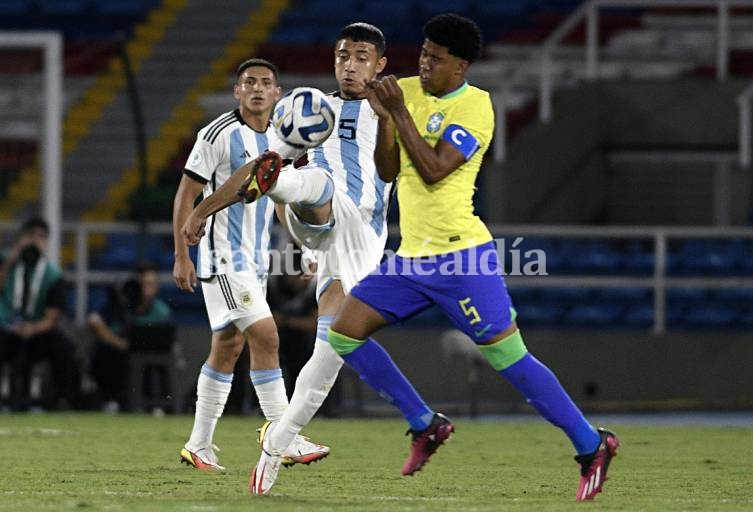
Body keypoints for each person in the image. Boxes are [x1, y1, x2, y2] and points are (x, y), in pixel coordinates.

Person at [325, 14, 619, 501]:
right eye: (421, 53)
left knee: (508, 357)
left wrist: (397, 114)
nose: (423, 64)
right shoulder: (407, 94)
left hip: (461, 258)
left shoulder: (477, 107)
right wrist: (384, 120)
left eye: (434, 59)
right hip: (411, 256)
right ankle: (425, 423)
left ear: (460, 66)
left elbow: (437, 169)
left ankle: (593, 445)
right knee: (344, 332)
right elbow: (387, 169)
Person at [180, 23, 392, 494]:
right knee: (298, 179)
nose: (349, 65)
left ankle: (277, 438)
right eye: (342, 56)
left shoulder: (395, 108)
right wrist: (202, 212)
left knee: (331, 346)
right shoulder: (314, 107)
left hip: (357, 241)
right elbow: (249, 171)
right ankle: (285, 181)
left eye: (360, 57)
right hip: (320, 206)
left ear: (379, 65)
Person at [172, 57, 328, 471]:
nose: (258, 89)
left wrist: (303, 245)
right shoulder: (217, 134)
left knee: (228, 347)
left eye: (266, 83)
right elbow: (186, 194)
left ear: (277, 94)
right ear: (237, 91)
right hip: (223, 256)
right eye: (249, 82)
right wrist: (180, 254)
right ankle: (282, 432)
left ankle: (198, 444)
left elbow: (280, 200)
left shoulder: (282, 139)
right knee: (267, 337)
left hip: (255, 259)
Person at [0, 216, 79, 411]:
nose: (35, 241)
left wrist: (32, 328)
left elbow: (52, 316)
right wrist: (13, 258)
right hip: (5, 329)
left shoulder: (53, 274)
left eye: (41, 237)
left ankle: (62, 399)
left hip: (36, 332)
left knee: (63, 346)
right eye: (30, 236)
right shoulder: (6, 263)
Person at [87, 262, 173, 413]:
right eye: (144, 284)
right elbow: (94, 320)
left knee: (155, 361)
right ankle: (110, 400)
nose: (147, 289)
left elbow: (165, 341)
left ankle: (157, 404)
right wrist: (119, 343)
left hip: (147, 358)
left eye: (151, 284)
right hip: (119, 356)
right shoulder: (120, 304)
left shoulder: (161, 311)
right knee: (105, 352)